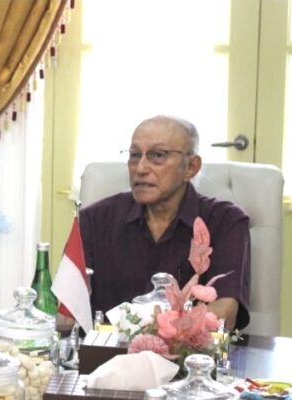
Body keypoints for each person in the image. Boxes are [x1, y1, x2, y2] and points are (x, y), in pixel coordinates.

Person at [79, 115, 250, 331]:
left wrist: (153, 336)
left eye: (158, 155)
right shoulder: (94, 220)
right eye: (134, 155)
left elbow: (224, 313)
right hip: (105, 351)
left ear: (191, 167)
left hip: (187, 351)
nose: (140, 168)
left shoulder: (226, 221)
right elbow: (67, 310)